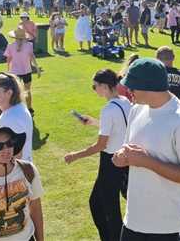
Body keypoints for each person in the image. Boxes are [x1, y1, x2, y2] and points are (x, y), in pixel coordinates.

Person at [113, 58, 180, 240]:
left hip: (169, 226)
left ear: (149, 87)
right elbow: (126, 150)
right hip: (134, 220)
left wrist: (147, 161)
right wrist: (121, 157)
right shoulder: (136, 110)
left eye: (132, 87)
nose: (127, 91)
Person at [64, 69, 131, 241]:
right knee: (98, 204)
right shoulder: (125, 102)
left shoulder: (109, 109)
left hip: (110, 162)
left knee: (108, 209)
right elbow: (118, 128)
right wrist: (93, 122)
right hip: (123, 159)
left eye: (95, 86)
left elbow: (101, 145)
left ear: (104, 86)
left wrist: (74, 155)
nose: (94, 90)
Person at [0, 73, 34, 161]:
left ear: (9, 93)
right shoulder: (18, 108)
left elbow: (17, 154)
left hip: (14, 172)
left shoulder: (11, 119)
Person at [4, 28, 41, 116]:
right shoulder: (29, 45)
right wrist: (37, 69)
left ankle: (16, 110)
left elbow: (8, 60)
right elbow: (32, 57)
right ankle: (30, 109)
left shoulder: (10, 46)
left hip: (14, 72)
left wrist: (8, 70)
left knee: (15, 92)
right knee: (27, 91)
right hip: (27, 71)